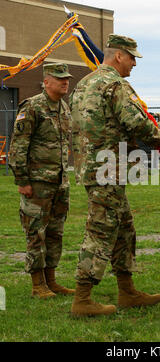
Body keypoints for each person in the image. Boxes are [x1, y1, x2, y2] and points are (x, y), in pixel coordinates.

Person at [69, 34, 160, 317]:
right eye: (132, 57)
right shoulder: (115, 84)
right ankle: (82, 298)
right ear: (119, 56)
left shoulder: (83, 83)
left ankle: (127, 290)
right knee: (100, 230)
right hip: (107, 169)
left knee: (124, 228)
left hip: (94, 167)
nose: (134, 64)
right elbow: (136, 122)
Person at [9, 63, 75, 298]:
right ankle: (38, 285)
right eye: (59, 78)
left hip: (59, 182)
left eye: (66, 78)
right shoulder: (33, 106)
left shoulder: (64, 108)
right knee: (36, 232)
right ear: (46, 82)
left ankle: (51, 280)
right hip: (36, 183)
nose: (65, 82)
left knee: (56, 232)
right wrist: (22, 180)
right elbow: (18, 147)